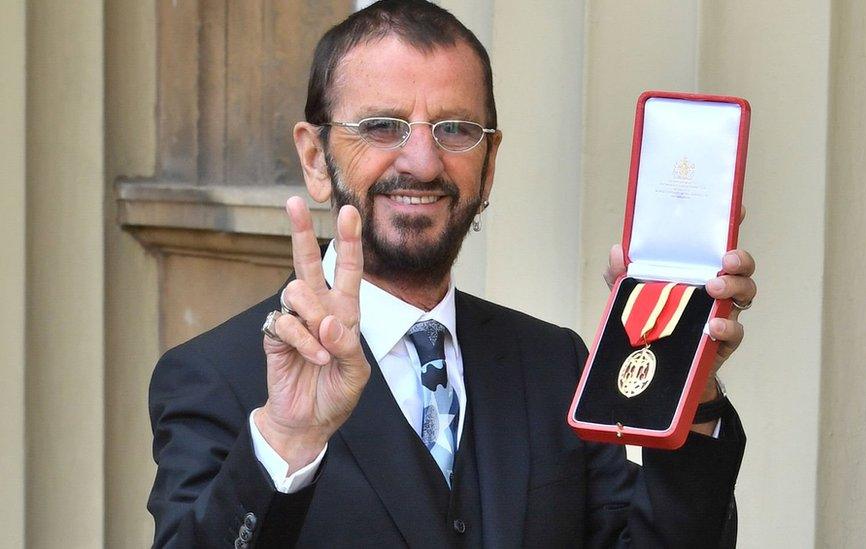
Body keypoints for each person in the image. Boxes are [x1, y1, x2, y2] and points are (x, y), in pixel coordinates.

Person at [147, 1, 758, 547]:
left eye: (455, 130)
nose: (421, 160)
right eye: (382, 126)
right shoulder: (217, 375)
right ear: (315, 156)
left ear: (489, 164)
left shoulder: (552, 364)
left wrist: (691, 388)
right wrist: (287, 441)